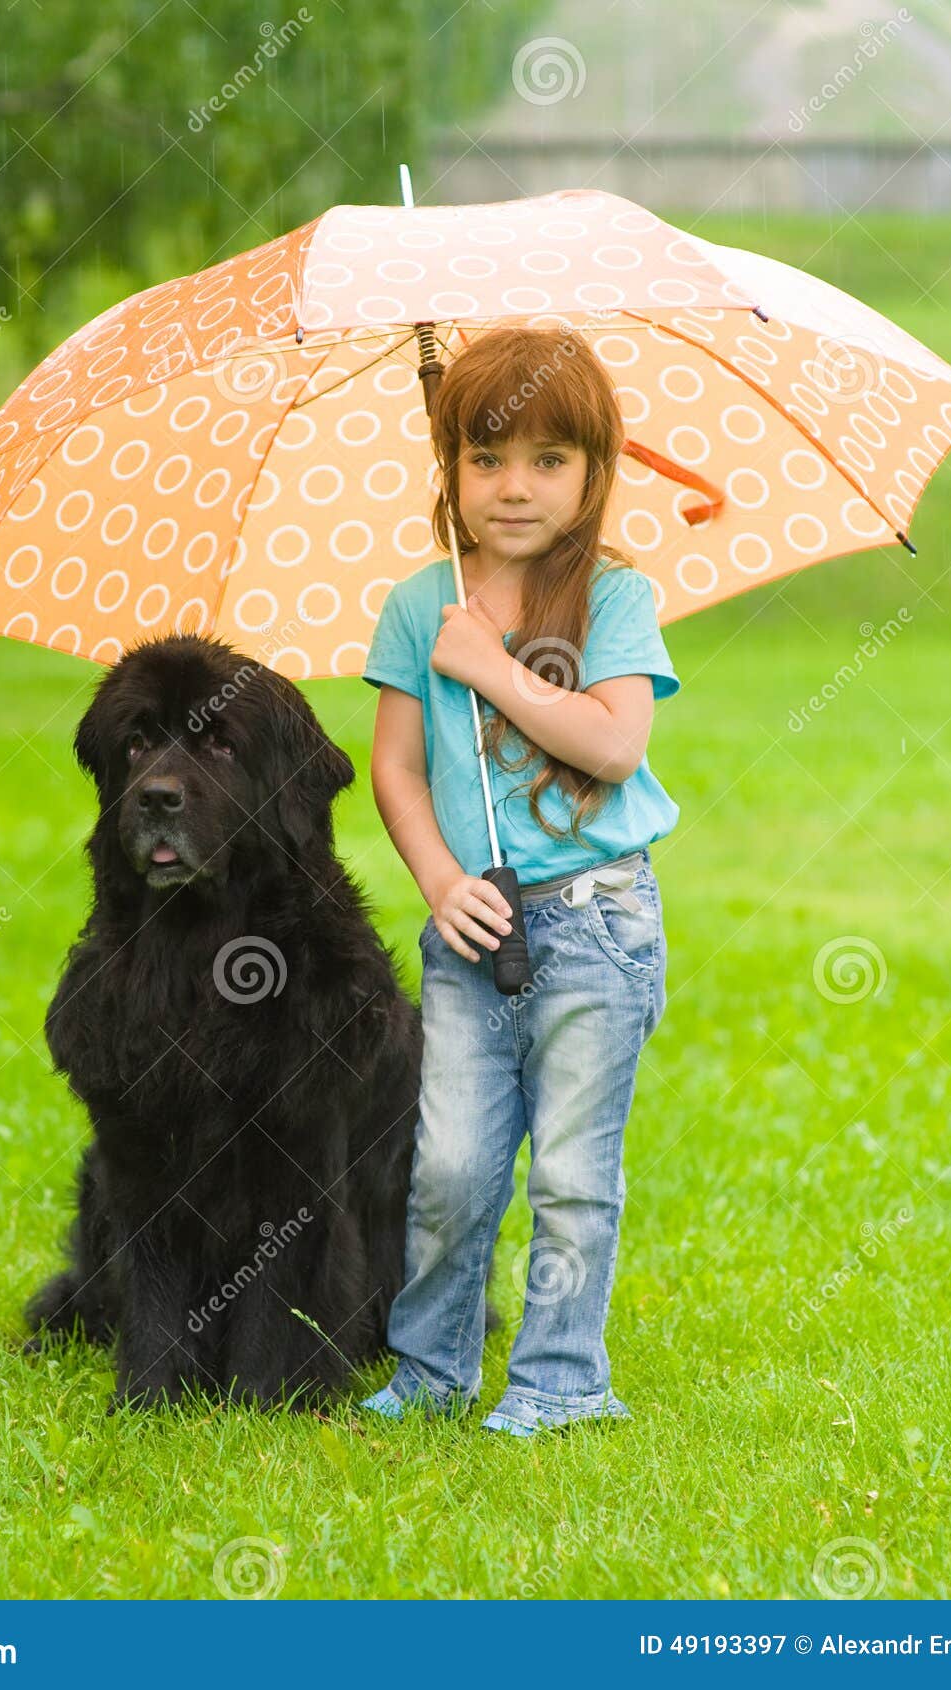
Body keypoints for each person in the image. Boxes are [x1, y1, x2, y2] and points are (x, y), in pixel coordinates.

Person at [358, 325, 681, 1436]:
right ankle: (432, 1370)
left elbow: (613, 744)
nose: (513, 486)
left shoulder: (612, 598)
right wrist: (442, 880)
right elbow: (392, 768)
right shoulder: (421, 604)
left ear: (595, 473)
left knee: (573, 1181)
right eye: (485, 458)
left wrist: (492, 669)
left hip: (597, 928)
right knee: (447, 1168)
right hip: (470, 936)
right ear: (447, 466)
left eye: (549, 460)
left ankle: (558, 1382)